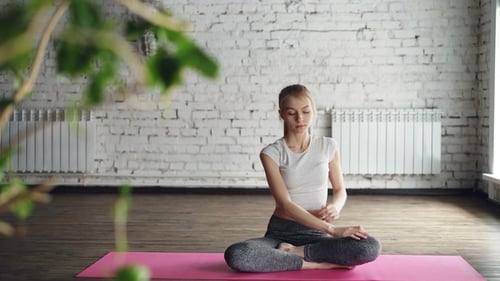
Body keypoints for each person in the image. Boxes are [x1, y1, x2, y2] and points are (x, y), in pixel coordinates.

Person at [224, 84, 381, 272]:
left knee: (370, 246)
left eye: (306, 112)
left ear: (314, 110)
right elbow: (285, 204)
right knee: (238, 254)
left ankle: (295, 252)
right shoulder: (271, 153)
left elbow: (340, 190)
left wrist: (335, 207)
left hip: (317, 233)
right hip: (281, 232)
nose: (300, 119)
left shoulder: (328, 146)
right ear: (281, 114)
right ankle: (317, 264)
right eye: (292, 113)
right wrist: (332, 230)